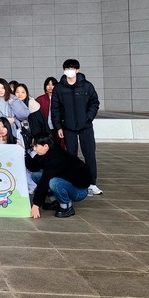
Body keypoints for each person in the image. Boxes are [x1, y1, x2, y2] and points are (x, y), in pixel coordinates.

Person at [51, 59, 102, 196]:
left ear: (78, 70)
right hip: (68, 127)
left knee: (89, 154)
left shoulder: (86, 86)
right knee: (71, 156)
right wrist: (58, 127)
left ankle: (92, 183)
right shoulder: (59, 88)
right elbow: (55, 109)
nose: (70, 70)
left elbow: (94, 102)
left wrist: (88, 117)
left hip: (85, 126)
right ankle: (74, 182)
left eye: (73, 68)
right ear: (64, 70)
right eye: (67, 68)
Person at [27, 133, 91, 219]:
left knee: (54, 182)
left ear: (45, 146)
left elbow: (44, 182)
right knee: (36, 176)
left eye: (36, 146)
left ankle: (67, 207)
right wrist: (24, 154)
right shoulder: (47, 151)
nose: (34, 149)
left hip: (80, 191)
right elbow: (33, 167)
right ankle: (57, 202)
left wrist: (36, 205)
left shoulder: (55, 158)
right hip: (67, 182)